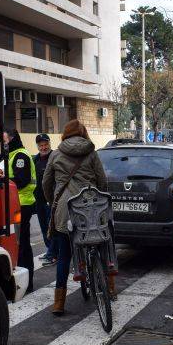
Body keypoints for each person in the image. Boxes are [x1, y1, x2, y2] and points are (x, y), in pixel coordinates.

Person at [42, 120, 108, 315]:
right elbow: (102, 180)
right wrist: (100, 198)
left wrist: (52, 200)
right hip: (90, 209)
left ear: (65, 133)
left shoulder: (55, 154)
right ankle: (108, 286)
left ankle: (59, 303)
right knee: (99, 244)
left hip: (65, 209)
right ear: (83, 133)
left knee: (64, 255)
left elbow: (46, 183)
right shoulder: (92, 153)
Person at [4, 129, 37, 293]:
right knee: (17, 243)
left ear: (12, 138)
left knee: (22, 244)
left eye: (5, 139)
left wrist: (2, 179)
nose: (3, 142)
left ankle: (28, 282)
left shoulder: (20, 156)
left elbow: (22, 181)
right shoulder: (12, 154)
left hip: (22, 204)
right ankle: (20, 280)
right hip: (15, 204)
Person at [33, 133, 57, 266]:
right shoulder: (35, 160)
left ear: (49, 144)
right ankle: (50, 250)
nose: (43, 147)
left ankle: (53, 254)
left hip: (52, 200)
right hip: (39, 200)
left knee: (51, 227)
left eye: (45, 144)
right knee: (43, 227)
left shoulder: (55, 157)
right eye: (41, 145)